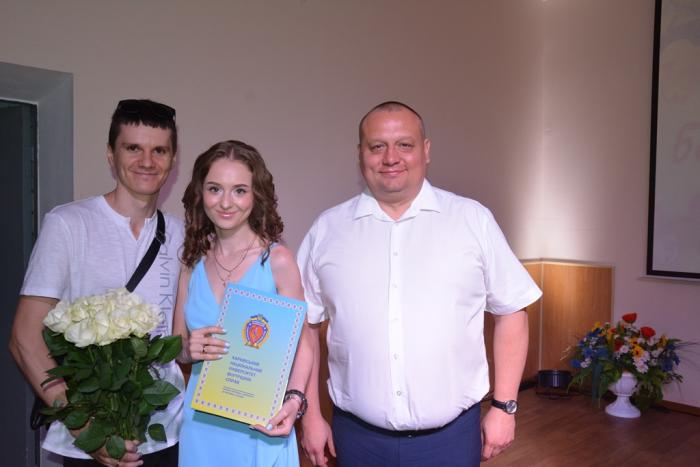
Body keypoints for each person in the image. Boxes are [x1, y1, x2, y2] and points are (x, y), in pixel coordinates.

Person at [297, 101, 542, 467]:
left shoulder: (472, 220)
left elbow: (512, 312)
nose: (390, 157)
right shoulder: (327, 230)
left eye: (404, 145)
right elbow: (304, 324)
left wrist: (505, 407)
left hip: (450, 441)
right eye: (377, 146)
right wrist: (311, 415)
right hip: (357, 440)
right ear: (360, 154)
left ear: (426, 150)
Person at [9, 99, 185, 466]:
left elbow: (183, 340)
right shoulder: (69, 224)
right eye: (133, 148)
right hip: (92, 434)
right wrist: (86, 429)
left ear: (172, 159)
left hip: (166, 434)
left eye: (159, 150)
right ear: (110, 154)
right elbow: (24, 338)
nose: (147, 161)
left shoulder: (182, 234)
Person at [173, 140, 313, 467]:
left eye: (239, 190)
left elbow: (304, 340)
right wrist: (187, 349)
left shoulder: (277, 260)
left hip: (260, 424)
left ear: (256, 195)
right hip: (202, 425)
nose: (226, 202)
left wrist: (294, 401)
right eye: (215, 189)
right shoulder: (191, 264)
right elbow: (178, 345)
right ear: (200, 193)